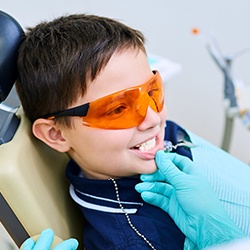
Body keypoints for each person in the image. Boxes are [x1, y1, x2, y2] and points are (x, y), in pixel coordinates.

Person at [16, 13, 250, 250]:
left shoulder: (137, 145)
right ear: (56, 134)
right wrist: (220, 236)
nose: (152, 119)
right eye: (118, 109)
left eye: (152, 93)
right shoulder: (134, 240)